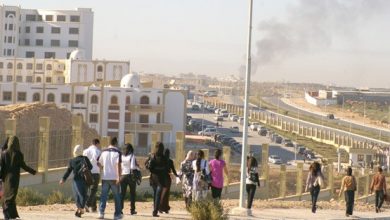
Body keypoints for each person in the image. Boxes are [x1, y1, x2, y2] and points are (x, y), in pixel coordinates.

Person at [0, 136, 37, 220]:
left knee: (7, 197)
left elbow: (1, 166)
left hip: (5, 179)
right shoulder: (18, 154)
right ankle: (8, 215)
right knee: (11, 197)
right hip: (14, 179)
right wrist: (33, 172)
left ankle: (10, 215)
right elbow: (24, 166)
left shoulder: (3, 153)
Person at [60, 145, 93, 218]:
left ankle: (80, 210)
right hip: (84, 180)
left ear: (74, 151)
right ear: (81, 151)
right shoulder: (85, 158)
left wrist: (63, 179)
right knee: (84, 195)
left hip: (75, 181)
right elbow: (91, 167)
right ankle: (80, 210)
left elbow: (68, 171)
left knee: (77, 196)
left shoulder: (72, 160)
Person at [97, 137, 122, 220]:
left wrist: (102, 168)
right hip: (114, 177)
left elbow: (98, 162)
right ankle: (117, 215)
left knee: (103, 196)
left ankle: (101, 212)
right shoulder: (118, 152)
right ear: (116, 143)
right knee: (117, 197)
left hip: (105, 177)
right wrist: (119, 176)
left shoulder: (104, 151)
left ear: (109, 143)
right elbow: (118, 164)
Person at [149, 142, 169, 217]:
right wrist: (161, 170)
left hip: (153, 177)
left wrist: (155, 170)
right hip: (161, 178)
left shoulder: (153, 156)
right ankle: (155, 211)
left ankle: (155, 210)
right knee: (158, 195)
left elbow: (150, 168)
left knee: (155, 194)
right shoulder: (164, 158)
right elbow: (166, 168)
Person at [120, 143, 139, 215]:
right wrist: (137, 167)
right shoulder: (132, 156)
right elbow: (132, 167)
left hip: (123, 175)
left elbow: (121, 166)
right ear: (131, 149)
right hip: (130, 176)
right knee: (132, 194)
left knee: (122, 194)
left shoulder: (121, 156)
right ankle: (132, 210)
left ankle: (120, 209)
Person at [83, 138, 101, 212]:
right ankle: (87, 204)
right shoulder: (97, 151)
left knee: (89, 189)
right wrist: (100, 165)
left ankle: (94, 207)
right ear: (97, 144)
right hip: (95, 172)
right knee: (94, 190)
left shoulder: (85, 151)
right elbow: (95, 159)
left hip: (87, 172)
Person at [159, 148, 178, 214]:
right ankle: (166, 209)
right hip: (167, 178)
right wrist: (177, 175)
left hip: (161, 178)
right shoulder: (170, 161)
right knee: (166, 194)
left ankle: (160, 208)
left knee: (161, 193)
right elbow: (173, 170)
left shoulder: (161, 160)